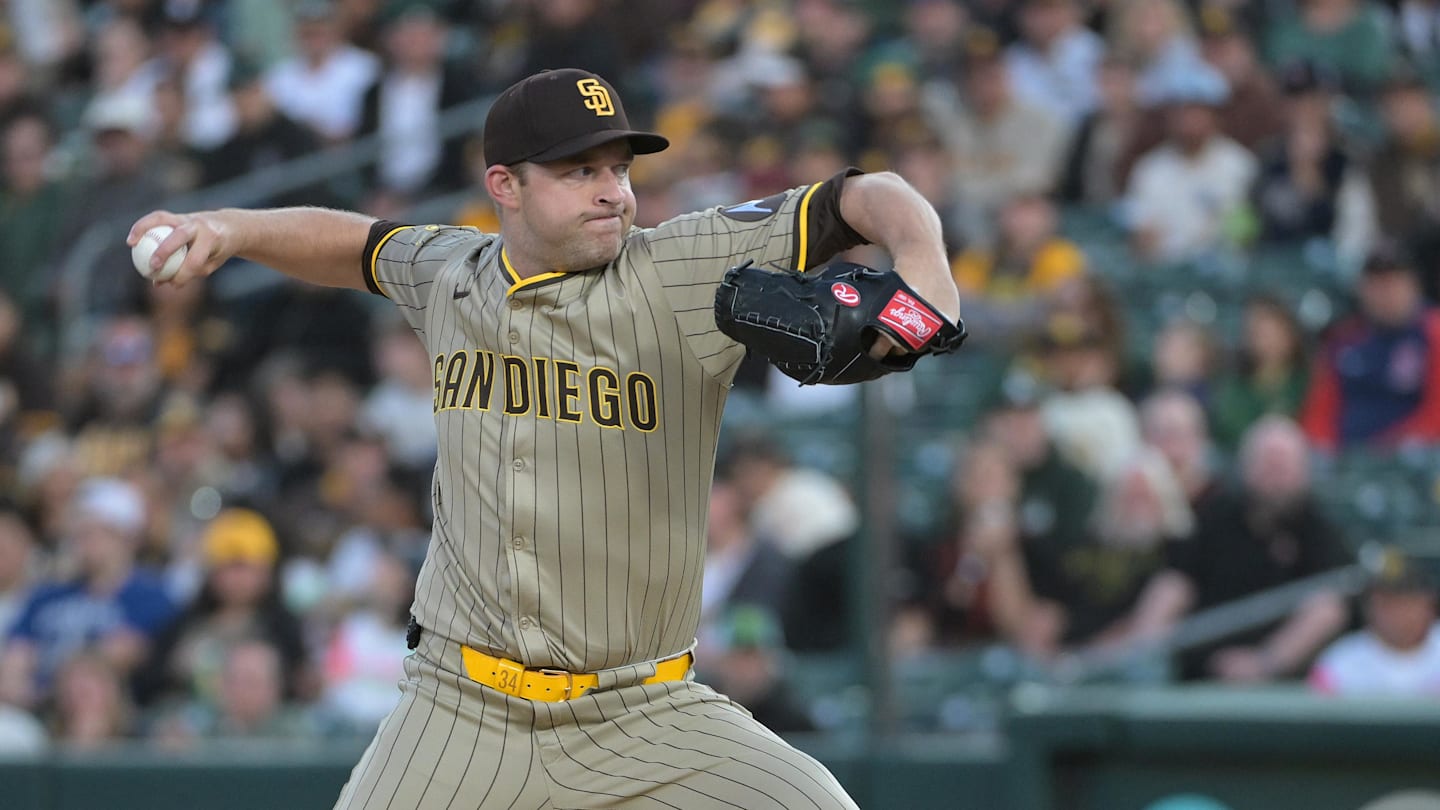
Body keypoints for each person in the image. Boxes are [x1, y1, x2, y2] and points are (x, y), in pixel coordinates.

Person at [129, 67, 961, 809]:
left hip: (645, 710)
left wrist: (927, 268)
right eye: (579, 171)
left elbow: (867, 196)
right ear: (506, 185)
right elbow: (357, 245)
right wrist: (232, 227)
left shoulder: (679, 265)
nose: (612, 192)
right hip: (459, 708)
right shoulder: (450, 272)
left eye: (619, 169)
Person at [1309, 549, 1440, 697]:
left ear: (1429, 604)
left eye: (1406, 601)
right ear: (1369, 606)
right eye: (1386, 603)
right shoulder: (1339, 661)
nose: (1397, 612)